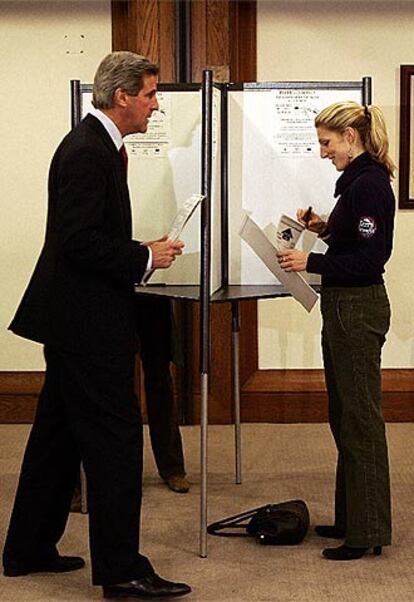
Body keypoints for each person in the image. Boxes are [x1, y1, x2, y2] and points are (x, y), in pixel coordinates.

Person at [3, 51, 191, 599]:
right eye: (151, 95)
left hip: (71, 319)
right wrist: (143, 256)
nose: (156, 106)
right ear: (123, 96)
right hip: (86, 324)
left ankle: (28, 549)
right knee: (115, 441)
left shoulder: (96, 144)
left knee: (56, 439)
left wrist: (139, 253)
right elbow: (78, 241)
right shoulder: (88, 151)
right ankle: (121, 570)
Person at [277, 101, 395, 561]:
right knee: (345, 415)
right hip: (345, 307)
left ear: (351, 136)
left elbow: (371, 259)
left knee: (361, 420)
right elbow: (354, 242)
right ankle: (352, 518)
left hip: (357, 308)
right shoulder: (357, 185)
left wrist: (312, 261)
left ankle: (367, 534)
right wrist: (323, 229)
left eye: (327, 142)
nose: (323, 151)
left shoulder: (369, 186)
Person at [137, 296, 190, 494]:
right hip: (115, 288)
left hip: (154, 292)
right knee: (118, 383)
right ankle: (125, 467)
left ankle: (172, 467)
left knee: (159, 377)